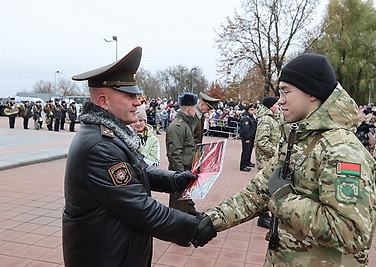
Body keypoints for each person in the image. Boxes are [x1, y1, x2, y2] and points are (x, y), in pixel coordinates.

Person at [203, 54, 376, 266]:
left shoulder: (341, 150)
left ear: (312, 93)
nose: (280, 100)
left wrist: (284, 199)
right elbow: (257, 194)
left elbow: (350, 232)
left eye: (286, 91)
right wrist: (207, 222)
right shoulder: (298, 139)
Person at [62, 47, 216, 267]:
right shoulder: (99, 146)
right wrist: (193, 227)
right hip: (106, 256)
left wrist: (174, 180)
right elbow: (141, 208)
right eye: (129, 96)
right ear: (104, 101)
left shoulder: (110, 133)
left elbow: (139, 170)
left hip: (116, 250)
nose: (138, 102)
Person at [166, 93, 198, 215]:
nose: (195, 111)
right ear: (189, 109)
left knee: (185, 202)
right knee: (178, 208)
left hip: (185, 170)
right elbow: (174, 154)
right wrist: (180, 175)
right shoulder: (178, 126)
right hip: (180, 171)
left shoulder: (185, 124)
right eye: (194, 108)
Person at [255, 96, 280, 229]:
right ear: (270, 107)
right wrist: (277, 151)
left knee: (271, 188)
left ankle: (267, 215)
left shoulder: (273, 118)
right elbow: (262, 141)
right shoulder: (265, 120)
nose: (278, 107)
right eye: (276, 105)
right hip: (265, 161)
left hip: (271, 160)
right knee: (265, 188)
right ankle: (263, 217)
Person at [239, 104, 257, 172]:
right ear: (249, 110)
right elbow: (245, 129)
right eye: (252, 110)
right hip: (247, 137)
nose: (253, 111)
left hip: (251, 137)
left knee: (249, 151)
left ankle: (247, 162)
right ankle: (243, 166)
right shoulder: (246, 118)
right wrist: (247, 138)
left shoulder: (251, 117)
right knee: (245, 151)